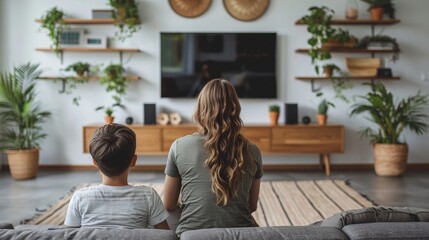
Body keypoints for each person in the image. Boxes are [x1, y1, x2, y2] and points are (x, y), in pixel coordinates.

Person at [164, 78, 263, 236]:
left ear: (201, 109)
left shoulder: (179, 146)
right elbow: (251, 206)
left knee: (161, 216)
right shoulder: (253, 150)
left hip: (192, 234)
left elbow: (168, 204)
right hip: (243, 234)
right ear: (235, 109)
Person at [65, 123, 169, 229]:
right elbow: (166, 235)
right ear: (133, 161)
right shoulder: (148, 196)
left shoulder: (80, 197)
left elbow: (69, 234)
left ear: (94, 162)